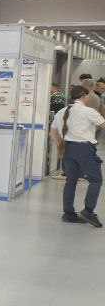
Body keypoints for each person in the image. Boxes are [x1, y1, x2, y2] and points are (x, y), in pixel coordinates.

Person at [52, 85, 105, 227]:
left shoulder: (62, 111)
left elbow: (53, 132)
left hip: (68, 149)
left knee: (71, 181)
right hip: (84, 149)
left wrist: (59, 144)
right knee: (96, 180)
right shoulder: (89, 111)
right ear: (84, 96)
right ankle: (88, 211)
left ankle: (68, 213)